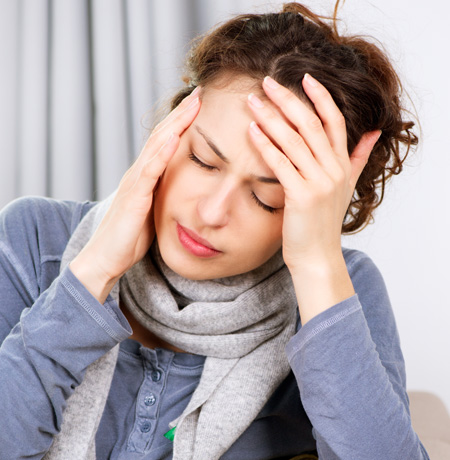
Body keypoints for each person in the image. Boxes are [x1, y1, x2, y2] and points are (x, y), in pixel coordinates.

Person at [0, 2, 429, 459]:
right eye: (202, 160)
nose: (211, 212)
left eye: (267, 198)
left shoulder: (337, 287)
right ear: (171, 127)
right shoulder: (35, 239)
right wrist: (96, 269)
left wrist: (318, 266)